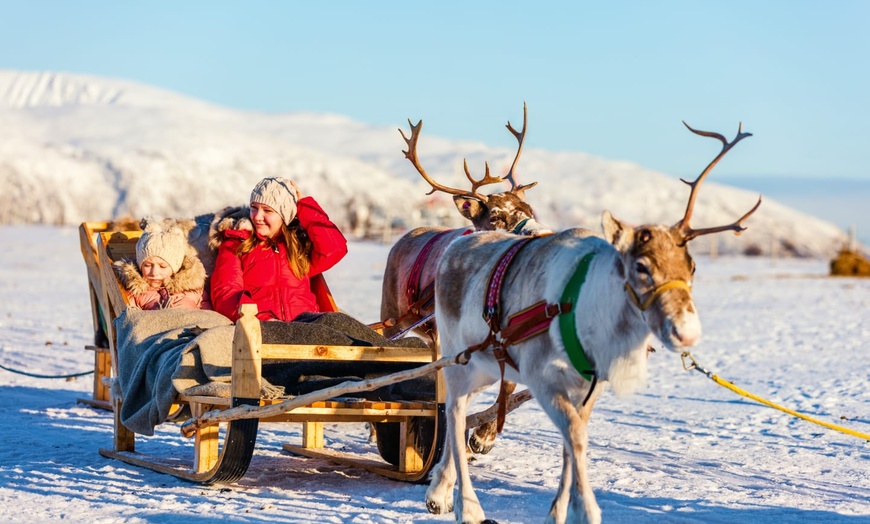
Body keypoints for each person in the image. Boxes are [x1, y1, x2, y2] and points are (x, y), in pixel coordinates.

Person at [210, 177, 348, 322]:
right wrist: (258, 319)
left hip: (305, 324)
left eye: (267, 210)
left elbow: (335, 248)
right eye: (254, 207)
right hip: (262, 326)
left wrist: (304, 206)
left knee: (346, 326)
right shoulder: (237, 244)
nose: (257, 217)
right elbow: (225, 292)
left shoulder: (298, 247)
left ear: (284, 215)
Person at [114, 222, 208, 310]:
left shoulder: (193, 290)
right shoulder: (135, 293)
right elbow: (131, 321)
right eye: (147, 265)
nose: (154, 273)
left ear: (176, 267)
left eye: (162, 266)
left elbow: (209, 317)